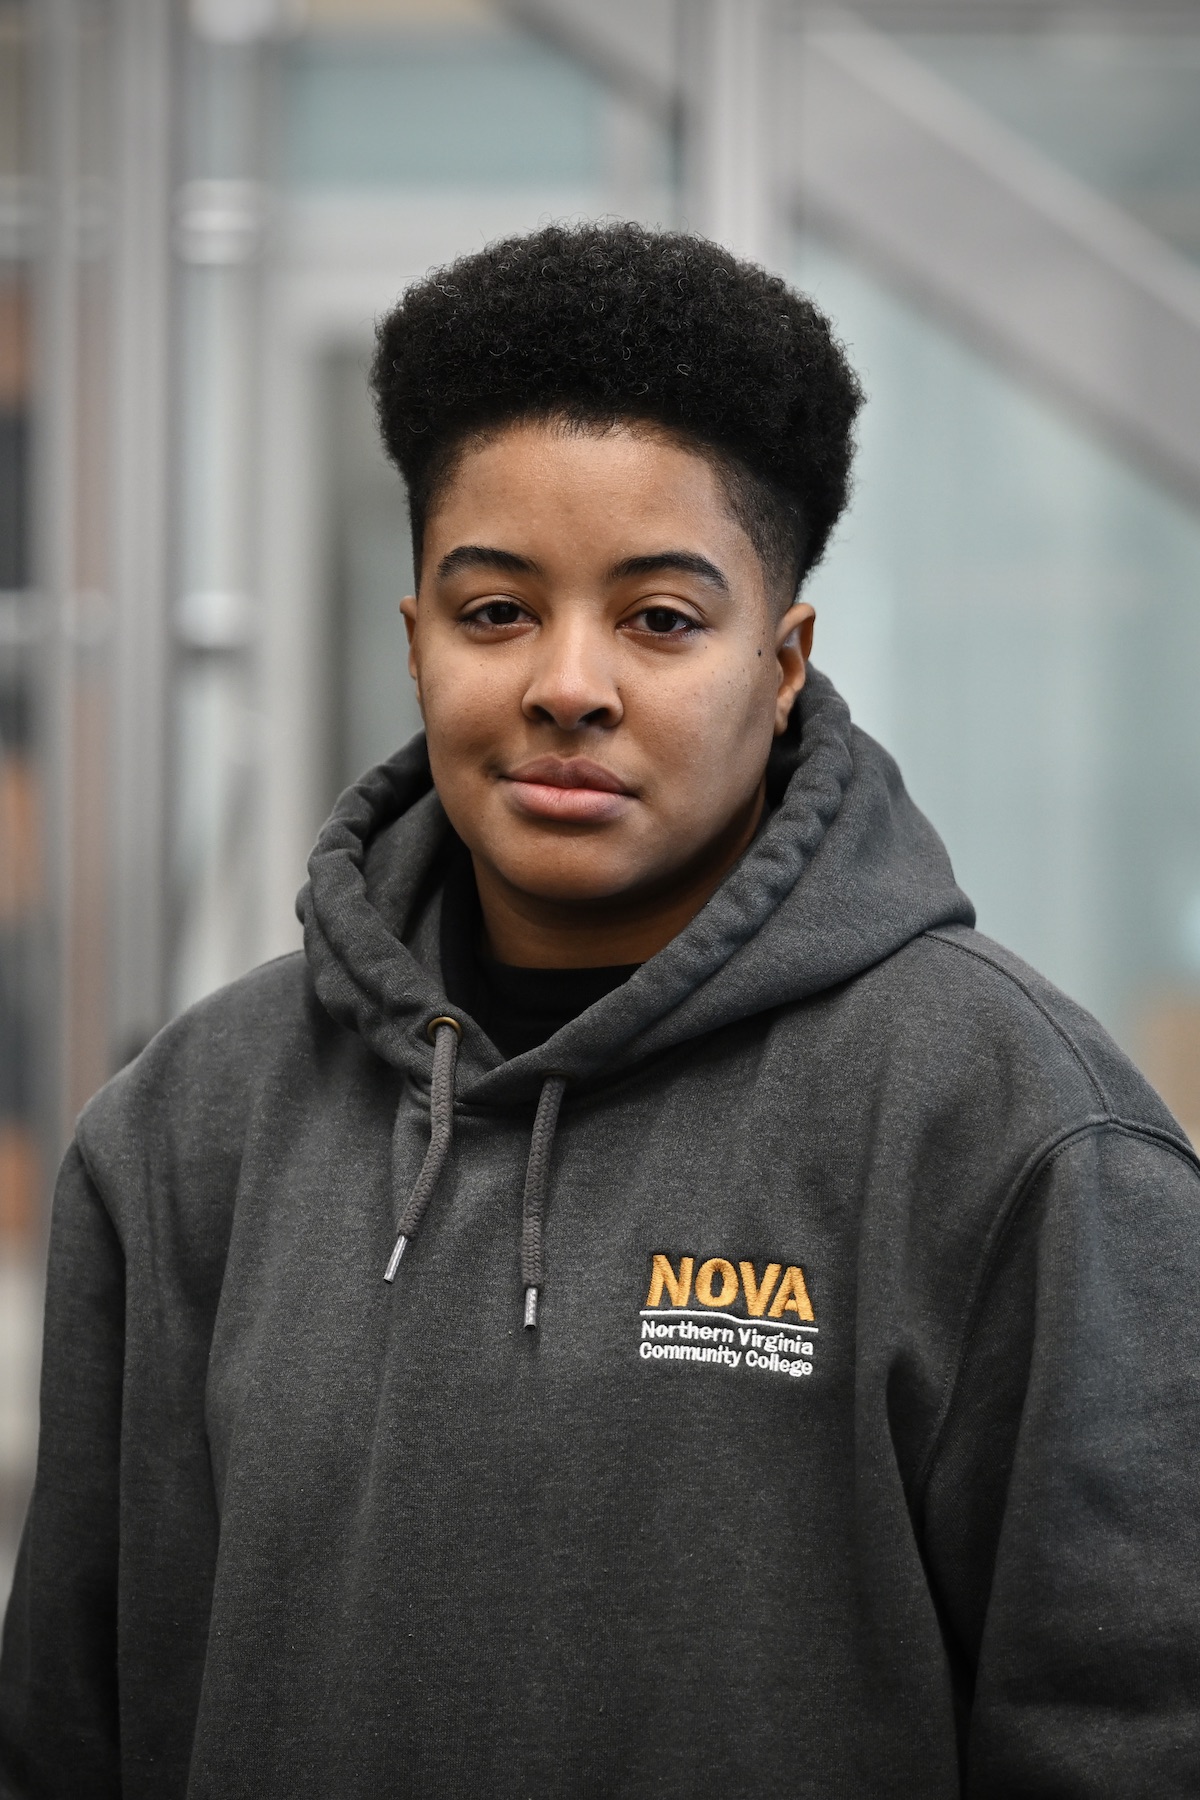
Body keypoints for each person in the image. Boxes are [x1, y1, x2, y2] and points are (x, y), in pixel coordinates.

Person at [2, 222, 1198, 1799]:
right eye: (498, 611)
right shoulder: (185, 1134)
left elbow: (1129, 1739)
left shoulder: (1017, 1129)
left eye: (661, 618)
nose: (570, 682)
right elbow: (74, 1741)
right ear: (416, 633)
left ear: (783, 665)